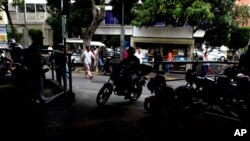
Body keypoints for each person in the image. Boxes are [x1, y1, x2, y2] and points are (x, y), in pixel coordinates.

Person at [22, 31, 45, 103]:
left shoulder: (35, 47)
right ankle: (38, 98)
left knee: (38, 84)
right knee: (38, 84)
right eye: (41, 39)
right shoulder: (34, 48)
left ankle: (38, 98)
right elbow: (35, 60)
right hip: (35, 70)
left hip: (35, 69)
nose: (42, 41)